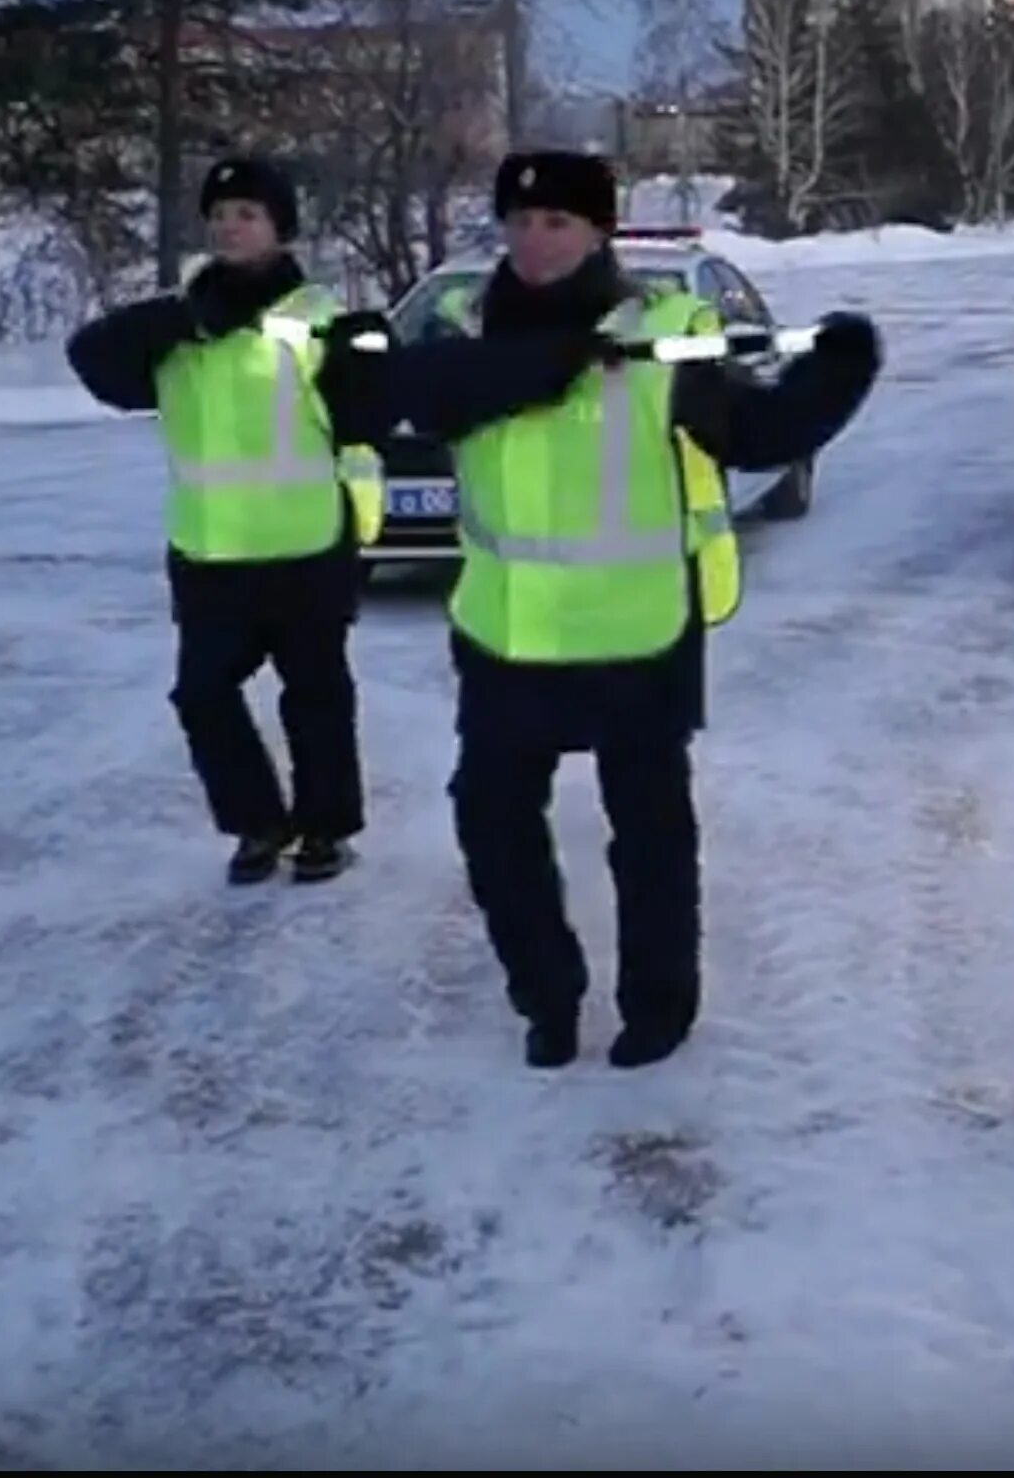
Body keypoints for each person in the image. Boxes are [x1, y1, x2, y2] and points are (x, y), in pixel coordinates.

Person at [317, 150, 883, 1071]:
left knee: (652, 838)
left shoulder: (662, 334)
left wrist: (840, 374)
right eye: (523, 222)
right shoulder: (462, 329)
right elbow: (366, 403)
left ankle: (658, 1009)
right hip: (508, 635)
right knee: (492, 825)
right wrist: (363, 360)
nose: (537, 242)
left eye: (561, 224)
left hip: (638, 634)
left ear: (598, 232)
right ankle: (547, 996)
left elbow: (757, 433)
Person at [65, 155, 384, 886]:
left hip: (304, 547)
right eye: (219, 215)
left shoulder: (315, 318)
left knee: (317, 697)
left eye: (247, 213)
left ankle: (324, 832)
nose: (230, 226)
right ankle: (257, 825)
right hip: (209, 552)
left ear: (280, 227)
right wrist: (181, 317)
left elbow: (369, 412)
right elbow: (91, 359)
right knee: (202, 695)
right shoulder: (178, 323)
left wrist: (369, 357)